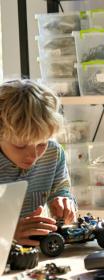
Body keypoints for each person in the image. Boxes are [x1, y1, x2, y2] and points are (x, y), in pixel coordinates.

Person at [0, 79, 76, 246]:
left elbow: (62, 194)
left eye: (42, 143)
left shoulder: (53, 153)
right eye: (20, 145)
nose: (33, 155)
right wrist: (6, 234)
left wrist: (66, 205)